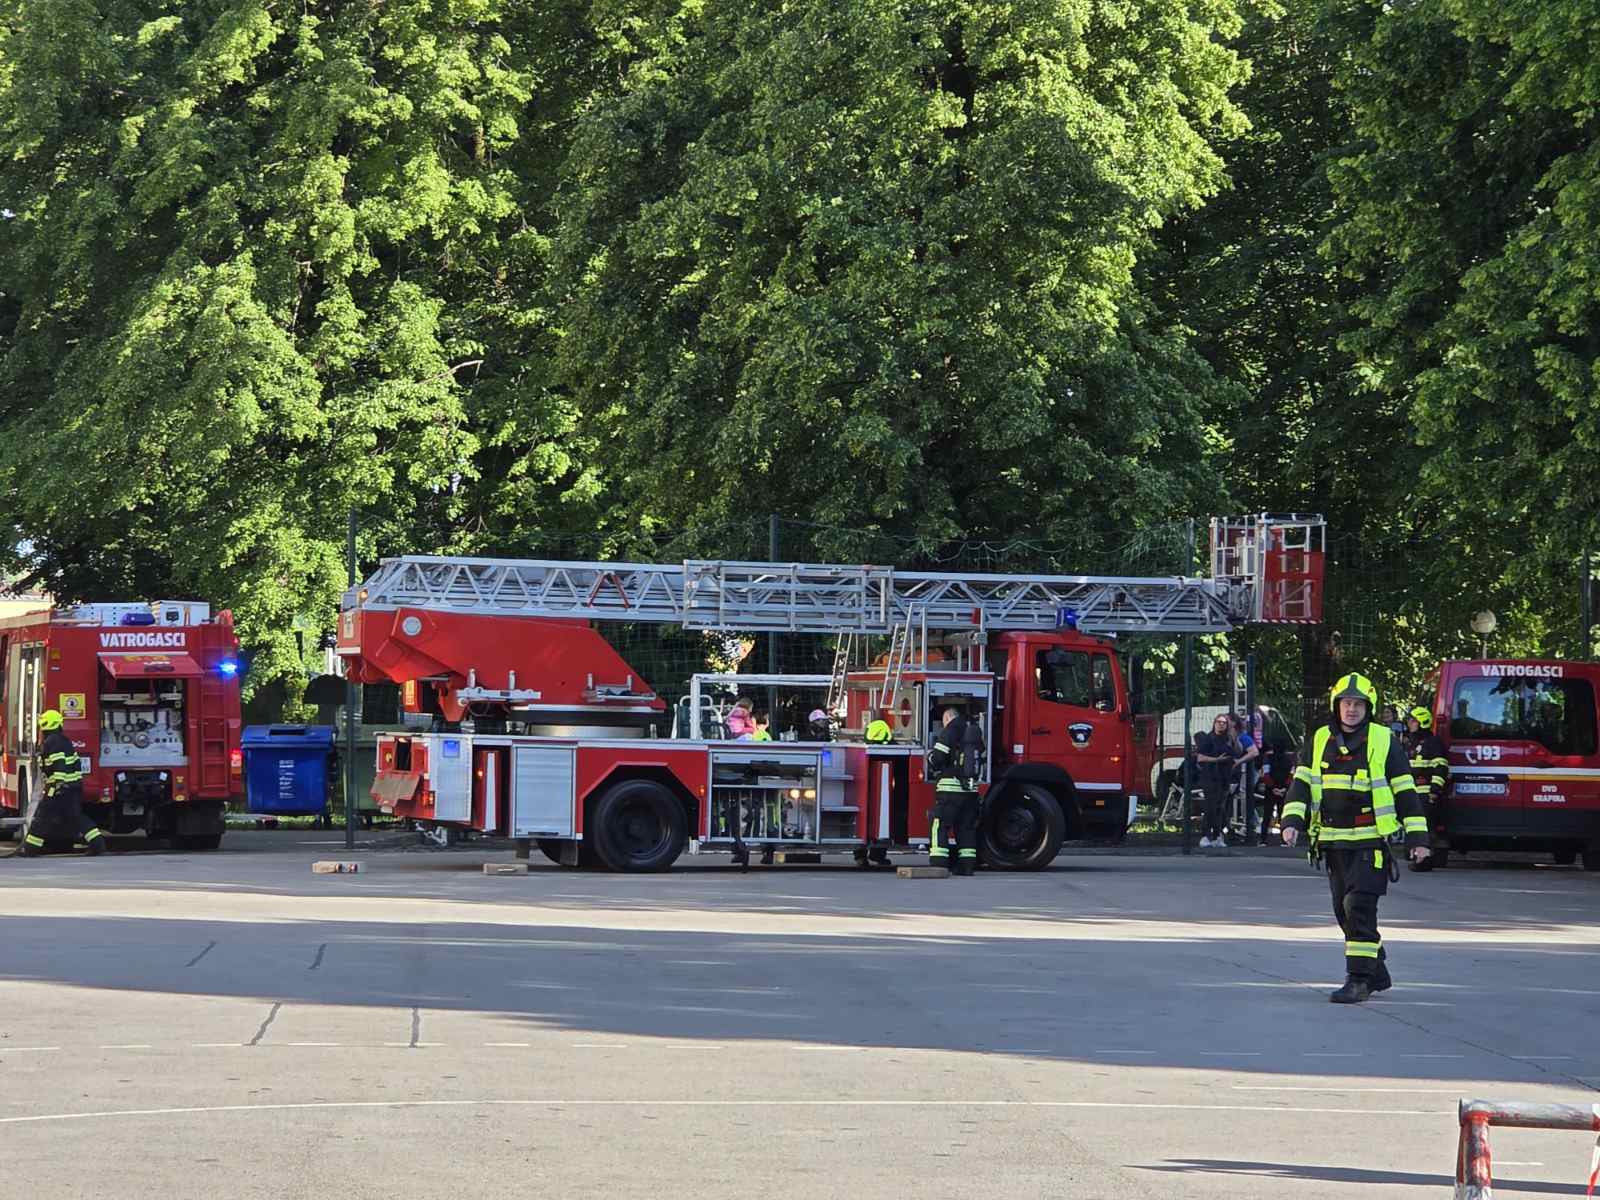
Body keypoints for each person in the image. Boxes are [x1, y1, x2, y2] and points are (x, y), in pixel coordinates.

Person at [1280, 674, 1430, 1003]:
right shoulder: (1320, 738)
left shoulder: (1383, 739)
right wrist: (1291, 821)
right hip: (1333, 841)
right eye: (1346, 703)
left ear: (1368, 707)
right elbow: (1301, 783)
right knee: (1343, 912)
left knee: (1358, 905)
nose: (1351, 709)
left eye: (1358, 704)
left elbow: (1405, 790)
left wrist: (1418, 837)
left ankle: (1358, 980)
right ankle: (1376, 970)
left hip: (1370, 840)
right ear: (1337, 706)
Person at [20, 709, 107, 857]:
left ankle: (30, 849)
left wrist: (58, 785)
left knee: (43, 818)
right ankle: (98, 844)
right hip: (72, 787)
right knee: (76, 817)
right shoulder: (63, 741)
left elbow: (59, 764)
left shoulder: (52, 742)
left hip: (59, 788)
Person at [927, 707, 983, 875]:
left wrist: (930, 758)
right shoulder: (973, 733)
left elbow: (938, 758)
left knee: (939, 824)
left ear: (948, 718)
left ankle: (939, 864)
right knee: (966, 828)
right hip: (971, 790)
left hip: (950, 790)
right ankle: (967, 866)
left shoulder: (950, 731)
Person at [1404, 706, 1448, 838]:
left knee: (1426, 831)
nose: (1409, 723)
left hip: (1425, 794)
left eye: (1413, 721)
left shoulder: (1433, 742)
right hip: (1411, 792)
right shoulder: (1411, 742)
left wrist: (1434, 791)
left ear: (1422, 723)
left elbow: (1441, 767)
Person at [1193, 714, 1236, 848]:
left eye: (1224, 722)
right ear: (1214, 723)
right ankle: (1205, 835)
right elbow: (1200, 757)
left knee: (1219, 807)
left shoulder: (1228, 739)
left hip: (1224, 778)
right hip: (1210, 777)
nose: (1221, 724)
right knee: (1210, 806)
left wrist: (1234, 736)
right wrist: (1216, 760)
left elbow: (1236, 753)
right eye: (1219, 722)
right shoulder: (1208, 739)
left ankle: (1217, 836)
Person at [1230, 712, 1261, 841]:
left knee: (1245, 794)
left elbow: (1254, 752)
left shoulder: (1243, 736)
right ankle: (1250, 822)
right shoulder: (1232, 736)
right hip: (1241, 771)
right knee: (1242, 795)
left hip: (1249, 770)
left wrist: (1239, 761)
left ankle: (1252, 823)